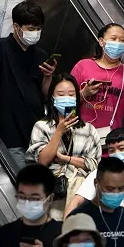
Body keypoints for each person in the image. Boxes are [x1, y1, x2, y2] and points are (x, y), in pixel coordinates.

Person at [0, 1, 56, 170]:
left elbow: (44, 94)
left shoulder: (40, 54)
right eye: (31, 29)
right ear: (16, 27)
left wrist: (48, 77)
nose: (35, 33)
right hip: (9, 127)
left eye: (38, 28)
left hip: (35, 130)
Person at [26, 73, 101, 219]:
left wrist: (65, 158)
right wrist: (59, 131)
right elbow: (41, 161)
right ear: (53, 97)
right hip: (51, 193)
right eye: (61, 94)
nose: (66, 98)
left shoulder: (89, 130)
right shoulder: (42, 127)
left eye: (71, 94)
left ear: (76, 98)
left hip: (81, 195)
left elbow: (94, 165)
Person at [66, 127, 124, 215]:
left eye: (121, 148)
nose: (116, 153)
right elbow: (76, 202)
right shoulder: (99, 174)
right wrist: (66, 226)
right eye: (111, 150)